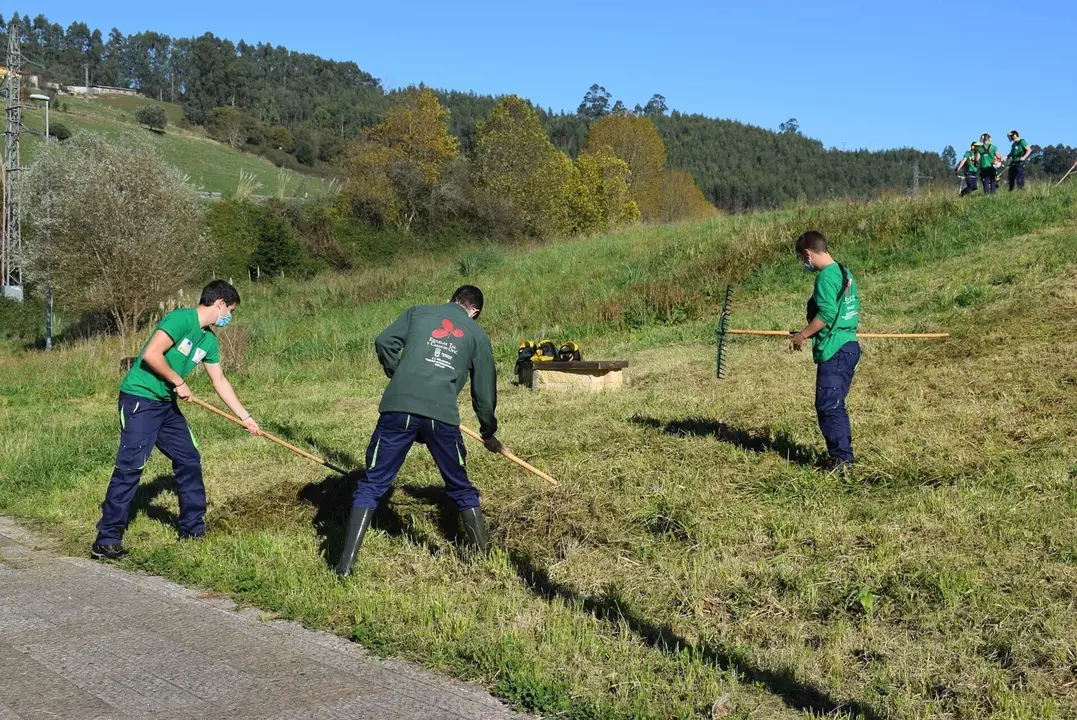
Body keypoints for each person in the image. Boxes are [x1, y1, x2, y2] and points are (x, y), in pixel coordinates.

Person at [336, 285, 501, 577]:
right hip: (441, 416)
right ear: (474, 312)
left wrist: (398, 373)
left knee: (372, 484)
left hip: (397, 409)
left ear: (450, 300)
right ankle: (486, 561)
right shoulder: (477, 335)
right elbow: (484, 393)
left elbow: (384, 341)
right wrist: (488, 431)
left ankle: (345, 566)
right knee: (460, 486)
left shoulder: (419, 312)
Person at [92, 280, 260, 560]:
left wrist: (245, 417)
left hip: (166, 405)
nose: (229, 317)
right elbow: (150, 355)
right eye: (230, 310)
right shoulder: (181, 319)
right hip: (140, 400)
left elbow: (219, 380)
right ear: (219, 304)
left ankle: (192, 530)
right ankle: (107, 538)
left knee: (189, 459)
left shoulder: (209, 340)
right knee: (131, 466)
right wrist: (178, 381)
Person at [790, 231, 861, 471]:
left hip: (835, 349)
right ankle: (842, 457)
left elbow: (828, 313)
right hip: (849, 345)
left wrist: (803, 335)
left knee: (829, 405)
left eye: (803, 258)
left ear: (808, 253)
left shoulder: (824, 278)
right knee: (833, 403)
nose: (804, 263)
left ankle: (842, 461)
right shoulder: (844, 272)